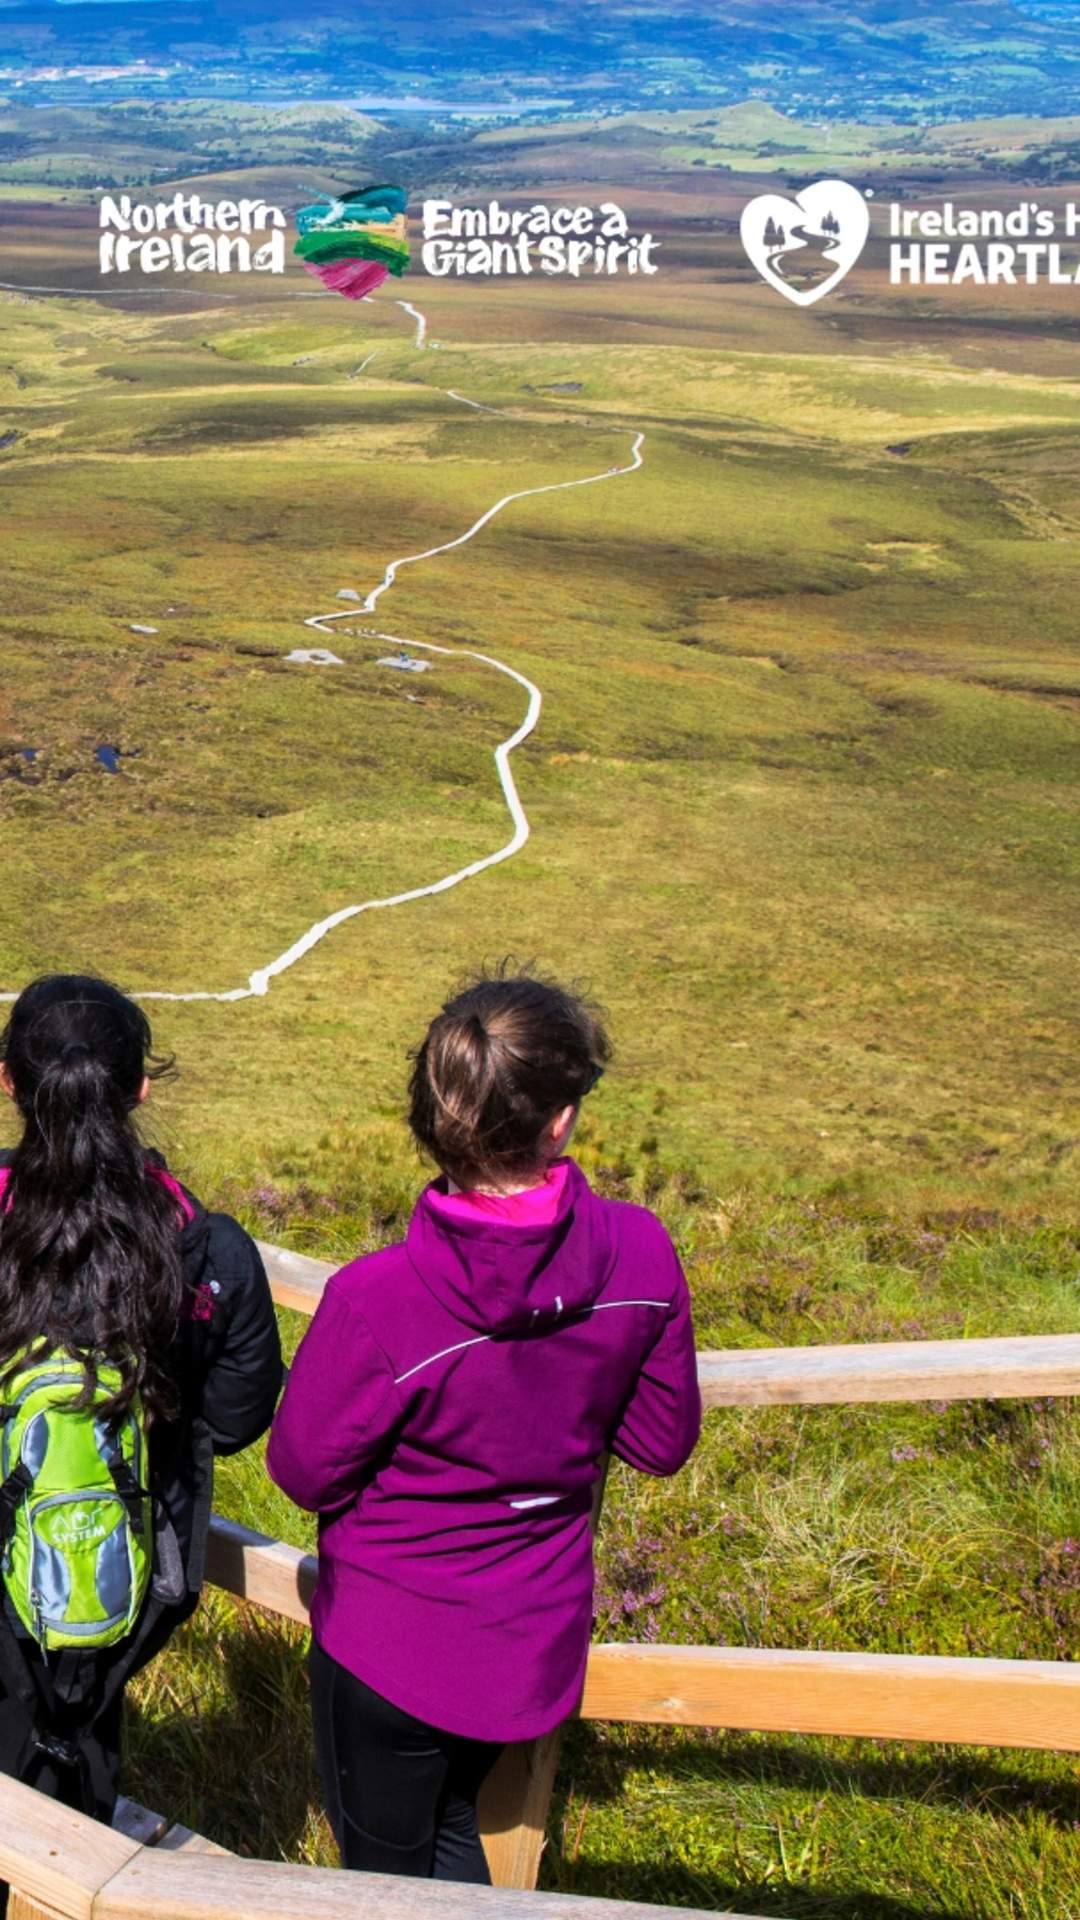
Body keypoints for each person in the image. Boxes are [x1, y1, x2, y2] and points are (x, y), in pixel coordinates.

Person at [268, 968, 701, 1883]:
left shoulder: (378, 1301)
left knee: (385, 1877)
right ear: (558, 1120)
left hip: (388, 1645)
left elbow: (303, 1471)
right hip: (530, 1641)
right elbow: (661, 1442)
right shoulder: (641, 1253)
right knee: (460, 1827)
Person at [0, 974, 282, 1820]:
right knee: (77, 1772)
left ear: (9, 1082)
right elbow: (234, 1419)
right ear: (140, 1088)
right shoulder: (203, 1244)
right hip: (119, 1564)